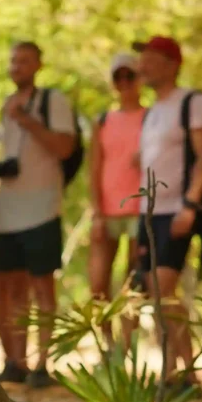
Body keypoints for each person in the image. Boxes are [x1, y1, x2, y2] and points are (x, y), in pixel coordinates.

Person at [133, 35, 202, 387]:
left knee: (163, 288)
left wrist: (191, 204)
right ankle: (182, 372)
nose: (142, 65)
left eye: (150, 58)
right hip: (147, 212)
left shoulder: (193, 102)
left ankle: (179, 370)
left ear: (172, 64)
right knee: (156, 293)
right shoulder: (151, 111)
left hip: (177, 210)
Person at [0, 41, 75, 387]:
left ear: (39, 65)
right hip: (7, 208)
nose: (17, 66)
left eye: (24, 61)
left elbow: (65, 147)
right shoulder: (5, 103)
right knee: (13, 287)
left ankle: (43, 364)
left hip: (42, 207)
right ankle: (17, 361)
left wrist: (27, 121)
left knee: (43, 287)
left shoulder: (53, 101)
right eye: (13, 61)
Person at [88, 53, 145, 343]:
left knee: (133, 282)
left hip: (140, 207)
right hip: (107, 209)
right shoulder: (103, 120)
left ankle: (129, 345)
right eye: (118, 77)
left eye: (129, 76)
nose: (124, 82)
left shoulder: (151, 117)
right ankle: (107, 345)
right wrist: (96, 212)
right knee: (98, 283)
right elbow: (94, 168)